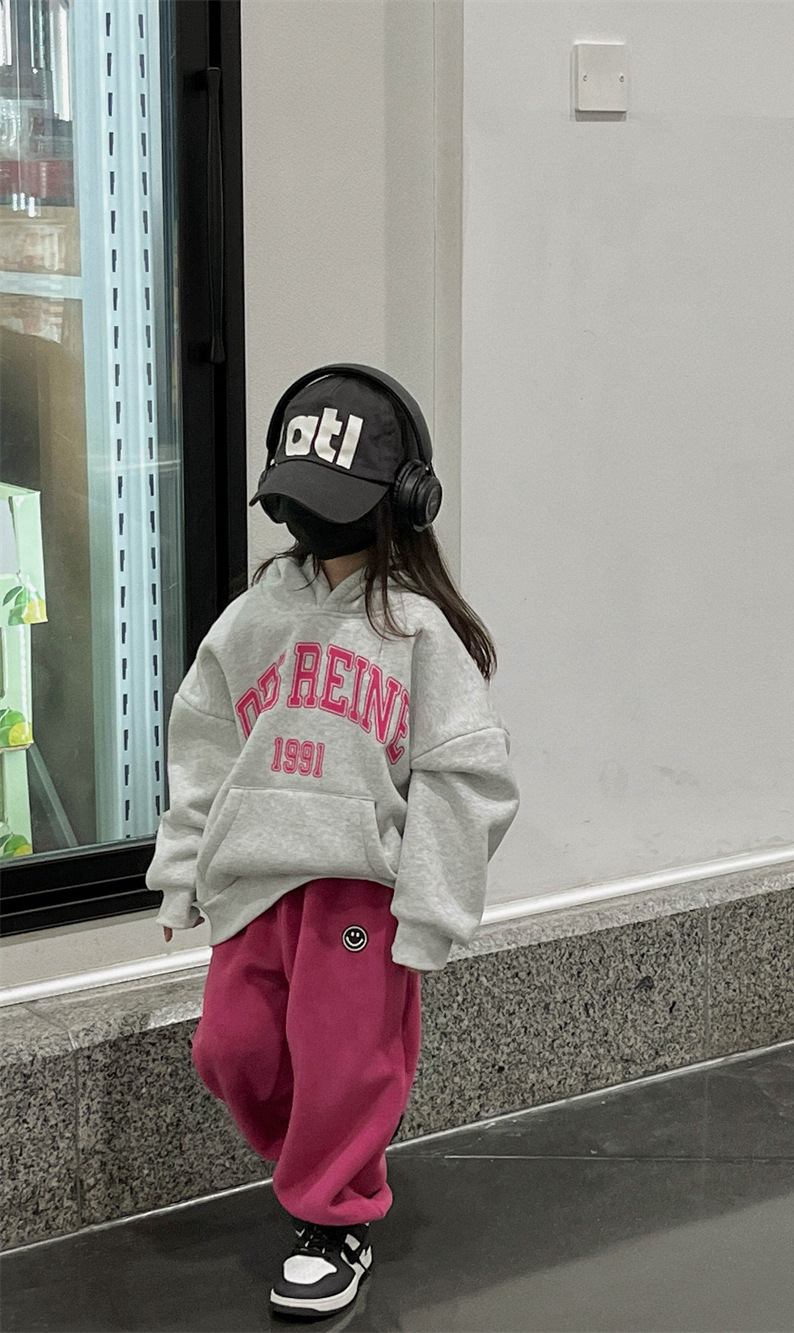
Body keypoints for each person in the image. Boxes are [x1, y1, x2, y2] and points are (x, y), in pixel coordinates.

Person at [147, 365, 520, 1320]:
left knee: (345, 1059)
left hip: (357, 888)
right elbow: (205, 742)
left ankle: (333, 1215)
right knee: (230, 1048)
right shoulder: (254, 618)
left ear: (405, 501)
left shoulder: (417, 631)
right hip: (256, 881)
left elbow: (466, 775)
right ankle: (324, 1158)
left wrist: (431, 906)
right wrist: (183, 866)